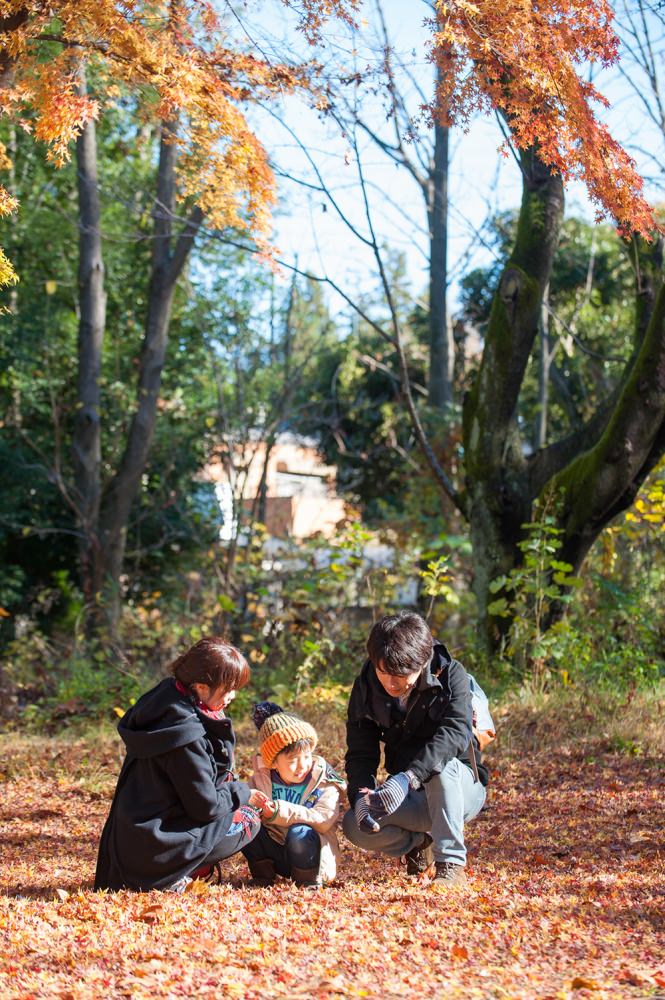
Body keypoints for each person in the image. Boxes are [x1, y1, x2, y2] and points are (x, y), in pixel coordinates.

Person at [94, 636, 266, 892]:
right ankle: (172, 876)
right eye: (227, 688)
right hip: (159, 846)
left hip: (128, 843)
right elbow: (206, 806)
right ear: (200, 686)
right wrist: (244, 793)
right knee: (250, 819)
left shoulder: (164, 700)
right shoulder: (186, 734)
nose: (232, 696)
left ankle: (174, 871)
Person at [342, 611, 488, 887]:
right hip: (409, 795)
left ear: (423, 662)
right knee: (354, 825)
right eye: (384, 673)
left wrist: (409, 776)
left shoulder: (451, 674)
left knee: (441, 770)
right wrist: (359, 796)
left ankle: (450, 866)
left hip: (459, 787)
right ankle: (419, 843)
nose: (392, 683)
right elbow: (361, 751)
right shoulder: (365, 686)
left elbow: (455, 733)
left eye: (401, 675)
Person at [242, 702, 346, 888]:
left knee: (300, 832)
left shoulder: (323, 779)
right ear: (273, 762)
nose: (302, 766)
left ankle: (308, 882)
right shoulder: (262, 778)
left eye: (306, 756)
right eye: (292, 760)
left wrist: (278, 812)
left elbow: (323, 818)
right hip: (276, 852)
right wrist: (253, 806)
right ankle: (263, 875)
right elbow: (245, 803)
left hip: (310, 857)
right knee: (247, 821)